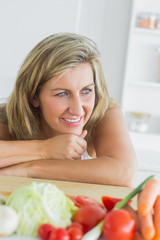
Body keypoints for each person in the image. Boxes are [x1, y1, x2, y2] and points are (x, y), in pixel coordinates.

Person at [0, 33, 137, 186]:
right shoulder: (8, 117)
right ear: (33, 96)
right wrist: (45, 149)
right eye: (62, 94)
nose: (78, 110)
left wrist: (30, 169)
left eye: (86, 91)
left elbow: (124, 173)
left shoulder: (104, 112)